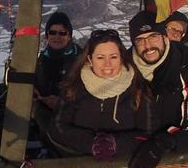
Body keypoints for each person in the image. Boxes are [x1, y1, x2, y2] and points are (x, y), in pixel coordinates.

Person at [45, 28, 154, 160]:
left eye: (113, 57)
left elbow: (149, 132)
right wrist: (92, 143)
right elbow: (57, 127)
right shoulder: (74, 88)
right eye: (100, 57)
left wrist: (116, 144)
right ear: (90, 59)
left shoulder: (138, 88)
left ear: (121, 58)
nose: (107, 64)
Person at [125, 11, 188, 168]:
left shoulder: (187, 72)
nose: (148, 46)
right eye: (140, 40)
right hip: (126, 159)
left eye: (153, 36)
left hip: (171, 164)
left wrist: (164, 142)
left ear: (163, 37)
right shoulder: (123, 71)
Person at [34, 11, 81, 110]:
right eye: (52, 32)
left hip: (72, 115)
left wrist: (61, 102)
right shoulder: (41, 60)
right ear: (47, 35)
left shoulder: (80, 59)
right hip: (42, 113)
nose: (57, 37)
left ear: (69, 36)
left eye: (62, 33)